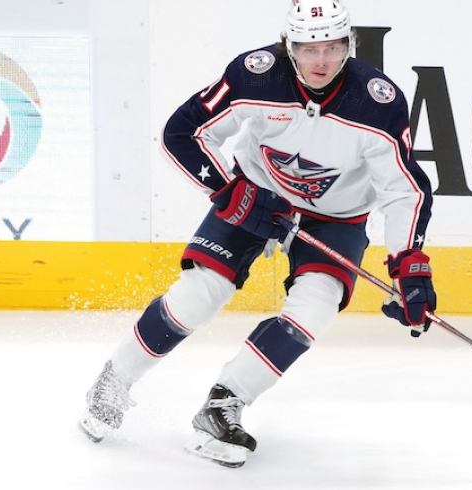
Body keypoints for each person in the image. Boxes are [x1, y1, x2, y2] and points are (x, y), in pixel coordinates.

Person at [78, 0, 436, 468]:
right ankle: (115, 378)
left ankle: (224, 404)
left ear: (350, 45)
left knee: (317, 306)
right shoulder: (254, 76)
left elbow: (404, 190)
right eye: (309, 49)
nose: (321, 61)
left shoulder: (376, 101)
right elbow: (182, 132)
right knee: (198, 294)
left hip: (337, 216)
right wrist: (230, 191)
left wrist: (410, 265)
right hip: (256, 196)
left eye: (333, 46)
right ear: (289, 47)